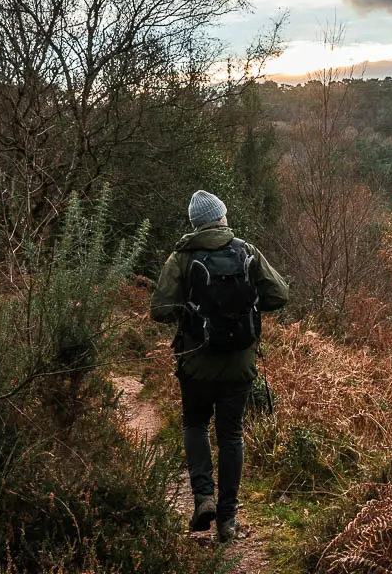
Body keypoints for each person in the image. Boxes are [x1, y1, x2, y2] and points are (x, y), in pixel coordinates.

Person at [150, 190, 289, 543]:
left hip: (196, 364)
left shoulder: (181, 257)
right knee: (230, 435)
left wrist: (190, 310)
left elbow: (159, 310)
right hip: (239, 364)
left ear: (196, 222)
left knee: (195, 423)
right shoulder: (246, 251)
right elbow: (279, 295)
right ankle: (228, 521)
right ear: (222, 217)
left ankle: (203, 498)